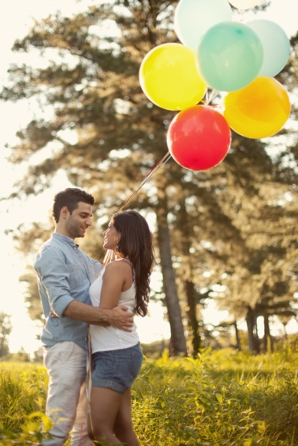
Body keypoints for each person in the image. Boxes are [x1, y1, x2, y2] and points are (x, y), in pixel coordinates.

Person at [34, 188, 134, 446]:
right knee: (58, 427)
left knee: (84, 434)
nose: (90, 222)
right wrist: (109, 316)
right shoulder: (51, 252)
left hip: (92, 349)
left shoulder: (82, 256)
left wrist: (121, 237)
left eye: (91, 215)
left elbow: (109, 274)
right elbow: (63, 305)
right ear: (64, 212)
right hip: (66, 346)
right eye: (83, 215)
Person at [88, 210, 154, 445]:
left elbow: (104, 315)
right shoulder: (124, 265)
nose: (105, 231)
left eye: (110, 227)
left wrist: (66, 311)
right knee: (123, 429)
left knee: (100, 432)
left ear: (122, 234)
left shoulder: (118, 267)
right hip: (122, 352)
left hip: (114, 354)